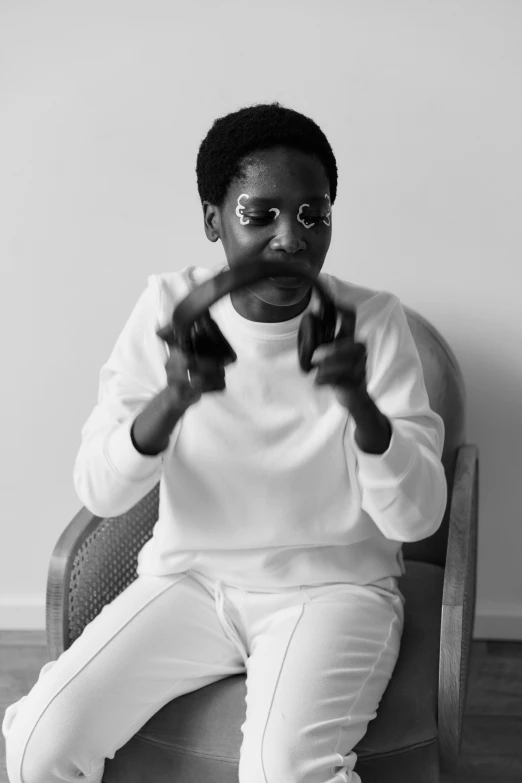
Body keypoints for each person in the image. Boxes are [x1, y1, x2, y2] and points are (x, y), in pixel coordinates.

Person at [3, 102, 447, 783]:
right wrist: (172, 399)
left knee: (283, 772)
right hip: (194, 580)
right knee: (38, 740)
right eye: (259, 213)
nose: (291, 238)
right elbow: (100, 486)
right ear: (214, 218)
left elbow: (416, 518)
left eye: (313, 213)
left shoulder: (373, 324)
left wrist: (360, 404)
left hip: (333, 588)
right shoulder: (166, 308)